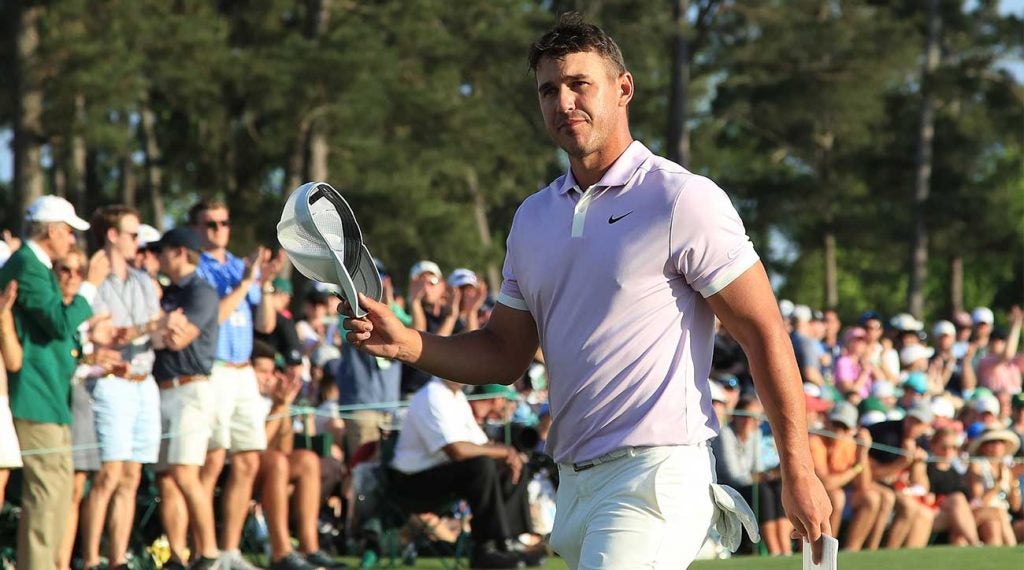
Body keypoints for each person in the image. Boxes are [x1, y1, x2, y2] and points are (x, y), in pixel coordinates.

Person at [341, 14, 831, 567]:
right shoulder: (532, 218)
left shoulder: (681, 199)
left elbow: (763, 332)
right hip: (573, 482)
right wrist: (408, 343)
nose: (564, 102)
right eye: (549, 90)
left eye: (579, 84)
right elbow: (504, 353)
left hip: (656, 476)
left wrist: (799, 467)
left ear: (623, 89)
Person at [0, 196, 108, 570]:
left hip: (50, 395)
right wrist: (90, 286)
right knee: (47, 497)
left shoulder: (35, 265)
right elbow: (59, 324)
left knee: (58, 495)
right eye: (68, 233)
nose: (71, 242)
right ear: (52, 231)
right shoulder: (27, 265)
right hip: (35, 394)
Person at [190, 200, 278, 569]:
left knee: (247, 460)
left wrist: (266, 285)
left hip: (243, 372)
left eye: (223, 223)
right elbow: (215, 317)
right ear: (196, 228)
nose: (218, 230)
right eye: (210, 224)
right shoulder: (198, 267)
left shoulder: (242, 267)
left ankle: (229, 552)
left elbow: (267, 325)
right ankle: (204, 552)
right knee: (211, 462)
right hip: (216, 370)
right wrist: (247, 282)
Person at [80, 205, 164, 570]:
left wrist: (156, 328)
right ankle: (91, 559)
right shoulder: (91, 276)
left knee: (131, 477)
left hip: (144, 382)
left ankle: (116, 560)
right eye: (132, 234)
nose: (137, 241)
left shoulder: (144, 280)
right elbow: (99, 334)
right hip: (110, 383)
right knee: (109, 474)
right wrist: (145, 328)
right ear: (112, 236)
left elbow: (152, 328)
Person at [389, 376, 538, 568]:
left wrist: (509, 455)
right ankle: (486, 548)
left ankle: (508, 543)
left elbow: (479, 443)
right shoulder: (431, 395)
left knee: (510, 466)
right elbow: (456, 450)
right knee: (481, 466)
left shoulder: (456, 397)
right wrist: (502, 451)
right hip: (410, 484)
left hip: (438, 476)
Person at [151, 227, 222, 569]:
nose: (158, 257)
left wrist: (154, 333)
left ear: (179, 252)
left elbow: (179, 340)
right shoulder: (169, 293)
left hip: (190, 389)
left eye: (163, 251)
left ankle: (208, 552)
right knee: (166, 477)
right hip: (162, 389)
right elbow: (162, 333)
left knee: (184, 473)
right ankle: (176, 556)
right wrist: (160, 329)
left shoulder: (201, 292)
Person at [808, 402, 893, 551]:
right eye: (835, 424)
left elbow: (863, 485)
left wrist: (863, 453)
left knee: (877, 498)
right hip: (817, 494)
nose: (838, 431)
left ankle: (856, 549)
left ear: (851, 430)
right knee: (837, 496)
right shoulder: (815, 441)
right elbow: (826, 483)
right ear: (827, 421)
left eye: (844, 427)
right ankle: (826, 549)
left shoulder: (850, 443)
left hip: (842, 490)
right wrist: (856, 469)